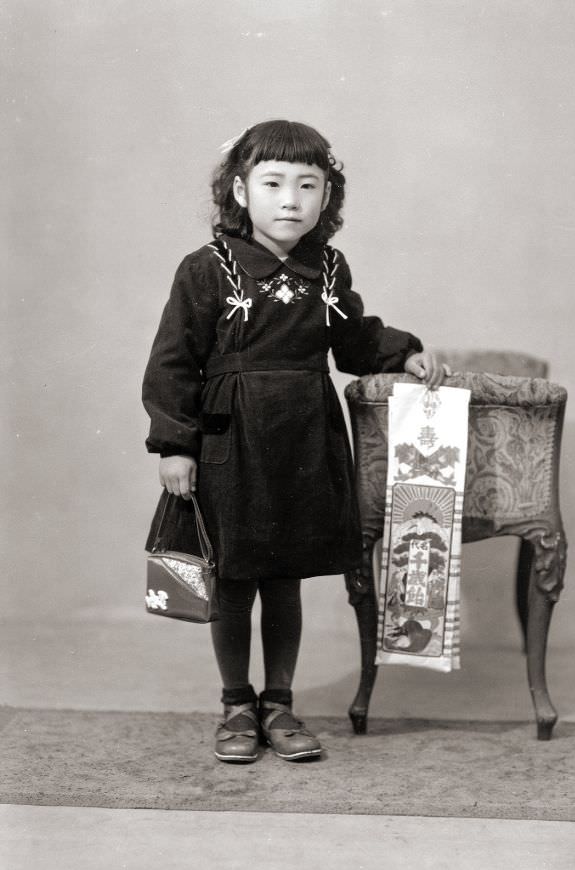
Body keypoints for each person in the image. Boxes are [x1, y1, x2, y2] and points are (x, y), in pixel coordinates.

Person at [142, 120, 446, 764]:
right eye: (273, 183)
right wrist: (176, 445)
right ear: (238, 190)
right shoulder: (207, 269)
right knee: (231, 581)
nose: (290, 200)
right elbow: (172, 361)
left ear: (326, 197)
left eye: (308, 186)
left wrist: (404, 354)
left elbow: (354, 340)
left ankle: (278, 703)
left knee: (285, 580)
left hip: (306, 440)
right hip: (232, 441)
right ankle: (235, 705)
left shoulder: (326, 268)